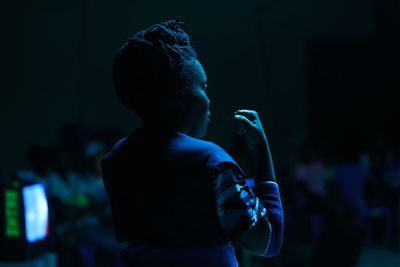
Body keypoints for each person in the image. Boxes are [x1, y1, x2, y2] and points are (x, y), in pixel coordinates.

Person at [101, 19, 283, 267]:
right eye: (203, 87)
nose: (209, 100)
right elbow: (267, 242)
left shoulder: (116, 158)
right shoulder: (210, 161)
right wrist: (261, 148)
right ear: (181, 97)